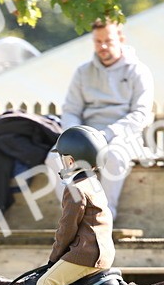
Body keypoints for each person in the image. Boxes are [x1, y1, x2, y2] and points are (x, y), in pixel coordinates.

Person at [0, 126, 115, 285]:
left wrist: (54, 258)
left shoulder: (74, 189)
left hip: (86, 253)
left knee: (46, 283)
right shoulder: (94, 184)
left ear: (71, 161)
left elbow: (66, 229)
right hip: (103, 252)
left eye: (63, 160)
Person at [58, 18, 154, 221]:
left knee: (113, 156)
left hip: (125, 136)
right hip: (87, 133)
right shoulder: (83, 72)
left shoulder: (138, 71)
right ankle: (73, 217)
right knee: (53, 158)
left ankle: (103, 218)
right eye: (97, 41)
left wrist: (106, 134)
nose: (102, 46)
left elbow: (140, 114)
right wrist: (76, 136)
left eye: (108, 41)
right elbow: (71, 110)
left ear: (121, 39)